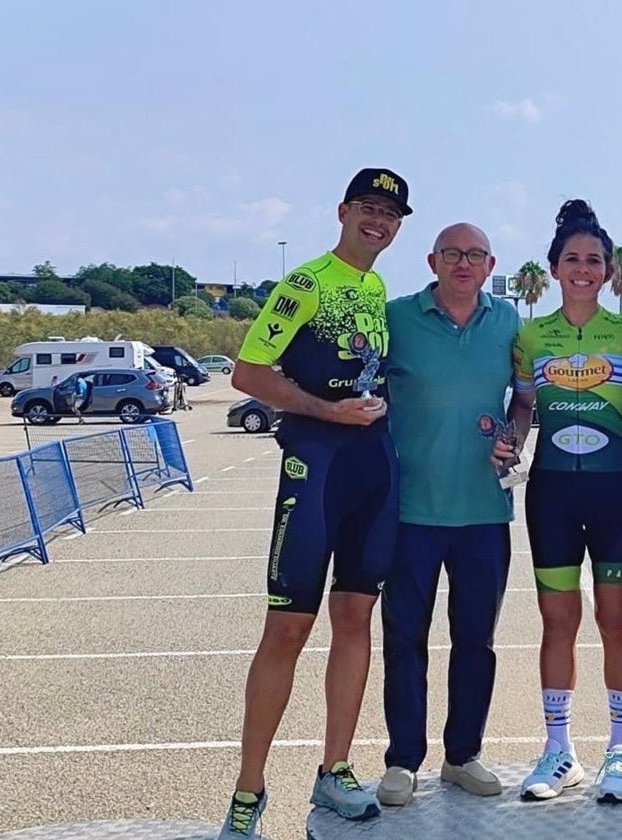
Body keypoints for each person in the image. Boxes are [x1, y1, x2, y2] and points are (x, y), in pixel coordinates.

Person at [217, 168, 411, 839]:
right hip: (317, 467)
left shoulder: (377, 287)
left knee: (355, 618)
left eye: (390, 213)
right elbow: (249, 373)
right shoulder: (305, 282)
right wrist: (325, 410)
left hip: (372, 468)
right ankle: (249, 792)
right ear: (342, 211)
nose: (378, 221)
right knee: (288, 629)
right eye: (368, 208)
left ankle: (334, 770)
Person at [501, 200, 622, 804]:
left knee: (616, 622)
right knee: (558, 622)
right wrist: (508, 440)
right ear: (554, 268)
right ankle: (559, 752)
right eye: (572, 259)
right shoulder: (531, 335)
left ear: (608, 271)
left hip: (617, 490)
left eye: (593, 260)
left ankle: (620, 752)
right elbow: (525, 406)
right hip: (553, 491)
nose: (582, 269)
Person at [376, 223, 521, 806]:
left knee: (475, 642)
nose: (464, 263)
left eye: (476, 255)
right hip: (409, 511)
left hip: (485, 512)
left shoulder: (510, 323)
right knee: (404, 640)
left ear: (490, 265)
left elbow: (528, 397)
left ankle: (463, 755)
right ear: (433, 260)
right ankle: (402, 761)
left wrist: (514, 435)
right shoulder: (395, 317)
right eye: (453, 254)